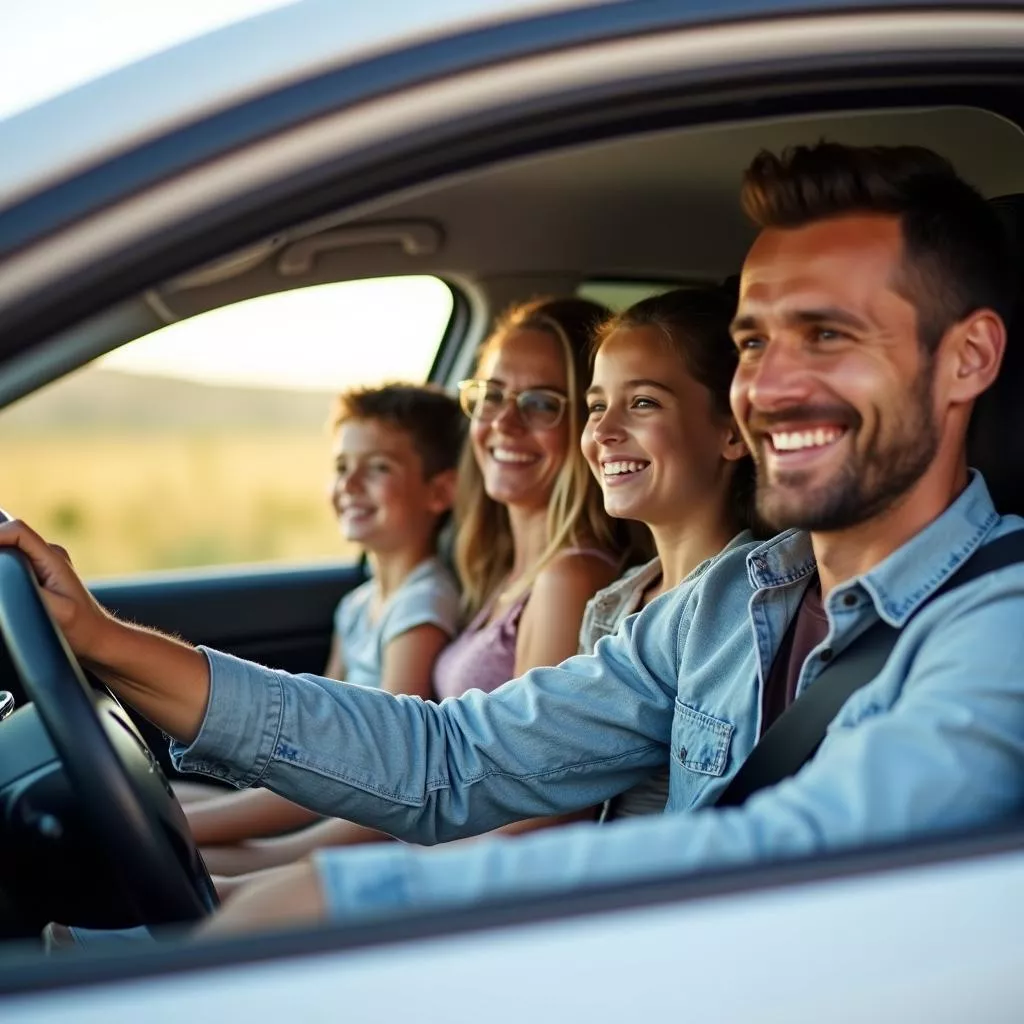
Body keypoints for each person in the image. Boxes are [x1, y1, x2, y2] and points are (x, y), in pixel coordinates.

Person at [7, 141, 1024, 939]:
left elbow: (806, 857)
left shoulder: (999, 625)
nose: (770, 385)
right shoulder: (726, 602)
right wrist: (106, 642)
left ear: (967, 358)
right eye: (755, 341)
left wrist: (347, 900)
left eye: (828, 335)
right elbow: (453, 755)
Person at [196, 297, 643, 876]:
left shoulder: (569, 577)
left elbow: (537, 806)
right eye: (492, 396)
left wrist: (283, 868)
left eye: (540, 404)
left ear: (590, 422)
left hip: (447, 871)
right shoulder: (495, 573)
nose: (504, 423)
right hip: (412, 837)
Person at [179, 383, 465, 859]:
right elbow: (315, 742)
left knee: (175, 844)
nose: (350, 485)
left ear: (439, 492)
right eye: (341, 467)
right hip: (330, 796)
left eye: (378, 468)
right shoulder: (357, 605)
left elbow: (389, 770)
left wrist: (272, 853)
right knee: (159, 795)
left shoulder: (423, 608)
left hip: (367, 826)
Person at [578, 286, 760, 819]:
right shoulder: (615, 601)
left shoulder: (752, 611)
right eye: (596, 406)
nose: (603, 430)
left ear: (732, 432)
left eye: (643, 402)